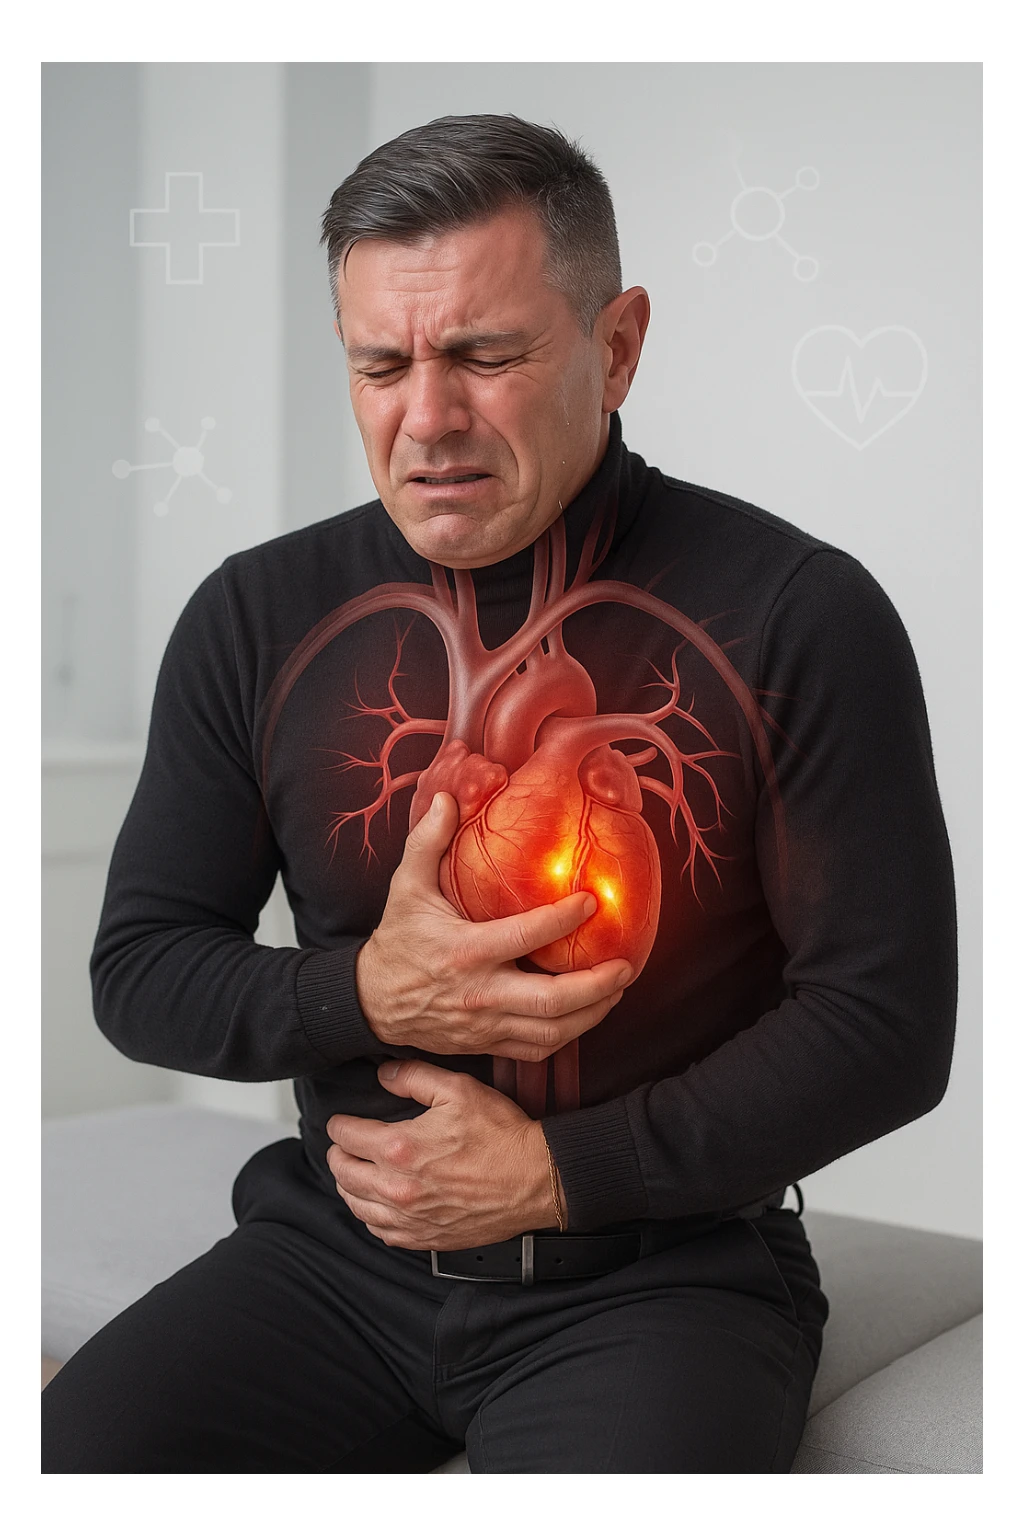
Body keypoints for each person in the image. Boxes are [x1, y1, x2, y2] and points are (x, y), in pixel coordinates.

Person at [42, 114, 957, 1474]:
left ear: (620, 343)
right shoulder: (257, 616)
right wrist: (365, 995)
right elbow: (142, 969)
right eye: (381, 364)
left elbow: (885, 1022)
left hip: (663, 1287)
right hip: (331, 1267)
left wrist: (562, 1174)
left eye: (486, 355)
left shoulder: (797, 613)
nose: (429, 420)